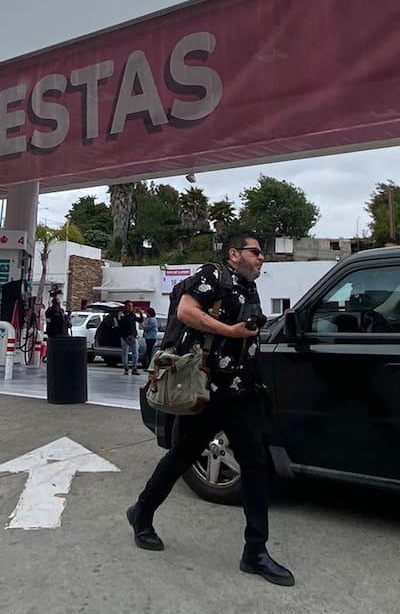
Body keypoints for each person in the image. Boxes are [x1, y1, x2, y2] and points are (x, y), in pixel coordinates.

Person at [126, 232, 293, 587]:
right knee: (181, 456)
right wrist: (230, 331)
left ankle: (255, 552)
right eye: (256, 252)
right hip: (208, 390)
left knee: (255, 466)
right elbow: (187, 311)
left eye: (262, 253)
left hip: (243, 392)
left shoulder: (249, 289)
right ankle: (142, 511)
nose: (262, 258)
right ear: (235, 254)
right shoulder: (213, 275)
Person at [117, 301, 139, 375]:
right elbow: (122, 326)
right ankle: (126, 368)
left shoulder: (133, 315)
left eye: (131, 306)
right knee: (125, 353)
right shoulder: (122, 314)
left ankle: (134, 368)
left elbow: (139, 321)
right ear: (125, 306)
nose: (131, 308)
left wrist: (140, 313)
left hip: (133, 336)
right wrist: (125, 336)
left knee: (135, 353)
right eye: (129, 306)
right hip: (124, 337)